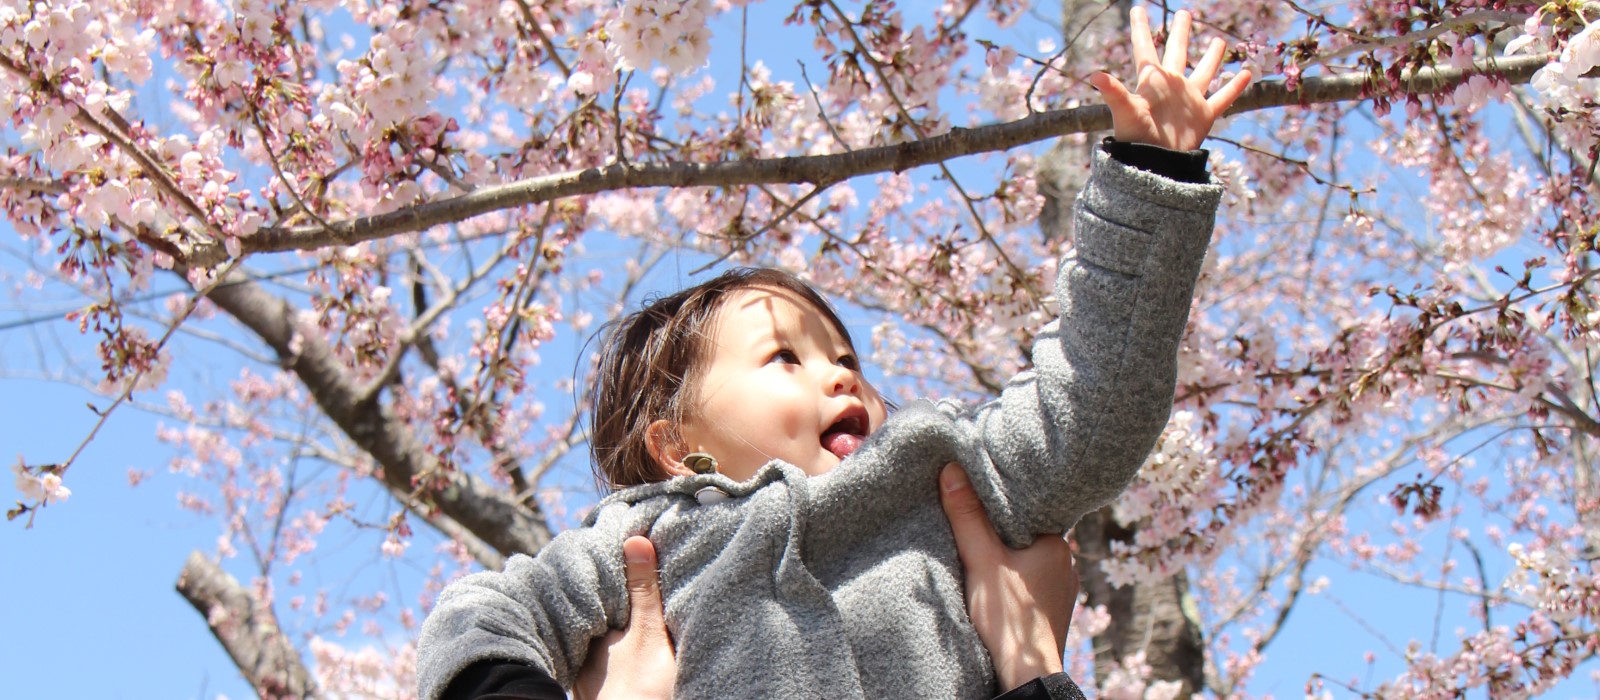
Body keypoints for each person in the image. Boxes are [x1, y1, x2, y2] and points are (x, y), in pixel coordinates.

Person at [417, 7, 1250, 699]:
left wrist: (1153, 172)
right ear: (676, 447)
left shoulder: (943, 473)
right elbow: (485, 615)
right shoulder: (648, 542)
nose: (841, 372)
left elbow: (1091, 408)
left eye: (845, 354)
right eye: (785, 357)